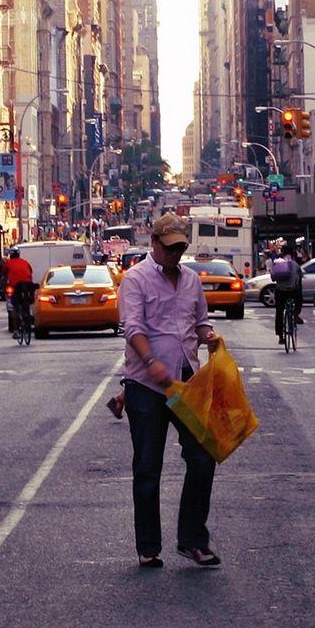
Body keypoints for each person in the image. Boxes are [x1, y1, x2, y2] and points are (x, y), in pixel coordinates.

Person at [118, 212, 221, 569]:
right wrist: (151, 363)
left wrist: (208, 336)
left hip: (186, 380)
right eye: (170, 248)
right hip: (146, 385)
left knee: (202, 457)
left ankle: (192, 538)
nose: (176, 255)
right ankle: (148, 546)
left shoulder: (192, 280)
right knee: (148, 466)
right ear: (154, 244)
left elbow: (200, 321)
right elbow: (132, 328)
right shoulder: (136, 279)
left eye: (181, 249)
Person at [271, 242, 303, 342]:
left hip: (280, 291)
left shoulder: (278, 262)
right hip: (292, 291)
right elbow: (299, 279)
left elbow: (273, 278)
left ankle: (280, 336)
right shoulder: (295, 264)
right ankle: (296, 314)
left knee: (279, 312)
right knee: (299, 296)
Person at [3, 247, 34, 333]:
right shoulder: (25, 262)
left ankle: (16, 330)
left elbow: (4, 274)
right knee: (28, 301)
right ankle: (27, 314)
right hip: (28, 285)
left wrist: (5, 282)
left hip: (16, 286)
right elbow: (30, 272)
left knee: (15, 307)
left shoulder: (8, 263)